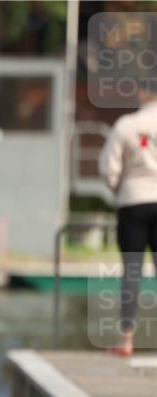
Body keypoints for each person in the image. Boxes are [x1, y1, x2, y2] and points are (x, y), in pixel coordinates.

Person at [99, 88, 157, 357]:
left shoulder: (127, 125)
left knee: (132, 272)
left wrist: (119, 189)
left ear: (145, 93)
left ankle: (126, 339)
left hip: (132, 201)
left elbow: (107, 167)